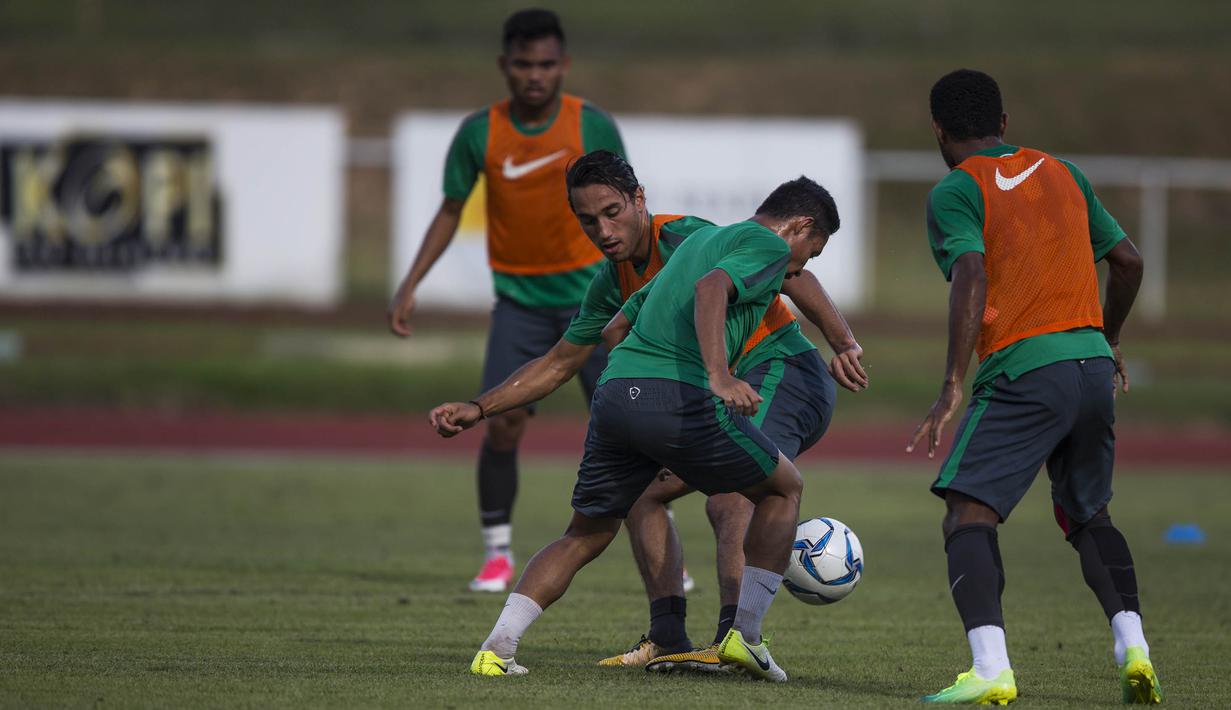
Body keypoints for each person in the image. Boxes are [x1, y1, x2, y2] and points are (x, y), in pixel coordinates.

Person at [428, 150, 866, 672]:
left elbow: (788, 271)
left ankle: (732, 642)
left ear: (640, 200)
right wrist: (480, 407)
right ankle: (671, 636)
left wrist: (842, 342)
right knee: (644, 496)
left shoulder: (689, 236)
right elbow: (560, 362)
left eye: (612, 212)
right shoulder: (611, 279)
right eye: (587, 220)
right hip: (687, 388)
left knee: (731, 496)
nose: (602, 230)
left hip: (779, 367)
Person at [906, 69, 1160, 705]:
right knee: (1087, 513)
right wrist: (1110, 337)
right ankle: (1135, 650)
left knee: (968, 513)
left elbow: (971, 272)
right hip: (1092, 368)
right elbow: (1127, 261)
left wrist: (951, 383)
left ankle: (991, 668)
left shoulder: (956, 190)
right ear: (1005, 122)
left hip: (1025, 371)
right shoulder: (1064, 171)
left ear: (938, 131)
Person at [387, 9, 625, 593]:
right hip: (519, 303)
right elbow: (450, 210)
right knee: (499, 422)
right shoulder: (480, 133)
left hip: (595, 301)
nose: (535, 76)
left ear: (564, 65)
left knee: (632, 421)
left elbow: (628, 207)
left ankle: (662, 543)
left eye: (547, 64)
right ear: (504, 66)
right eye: (523, 65)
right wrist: (411, 281)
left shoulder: (591, 125)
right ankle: (496, 554)